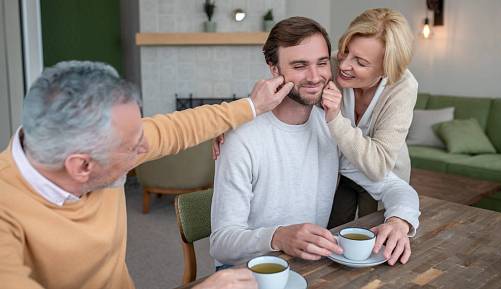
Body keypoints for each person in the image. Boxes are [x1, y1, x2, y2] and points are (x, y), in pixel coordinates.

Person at [0, 61, 294, 289]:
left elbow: (180, 127)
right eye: (133, 147)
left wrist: (251, 106)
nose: (146, 148)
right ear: (82, 166)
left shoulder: (100, 142)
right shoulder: (7, 212)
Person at [209, 17, 419, 268]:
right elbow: (221, 243)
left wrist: (399, 222)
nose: (314, 76)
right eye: (299, 65)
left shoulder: (331, 128)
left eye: (321, 63)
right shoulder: (241, 138)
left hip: (308, 266)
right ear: (274, 69)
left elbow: (395, 187)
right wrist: (277, 236)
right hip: (246, 272)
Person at [323, 8, 419, 226]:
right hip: (339, 170)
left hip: (381, 178)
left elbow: (378, 166)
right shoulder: (332, 65)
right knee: (332, 230)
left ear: (386, 69)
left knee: (371, 233)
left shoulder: (402, 87)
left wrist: (335, 119)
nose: (344, 65)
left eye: (360, 62)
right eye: (345, 50)